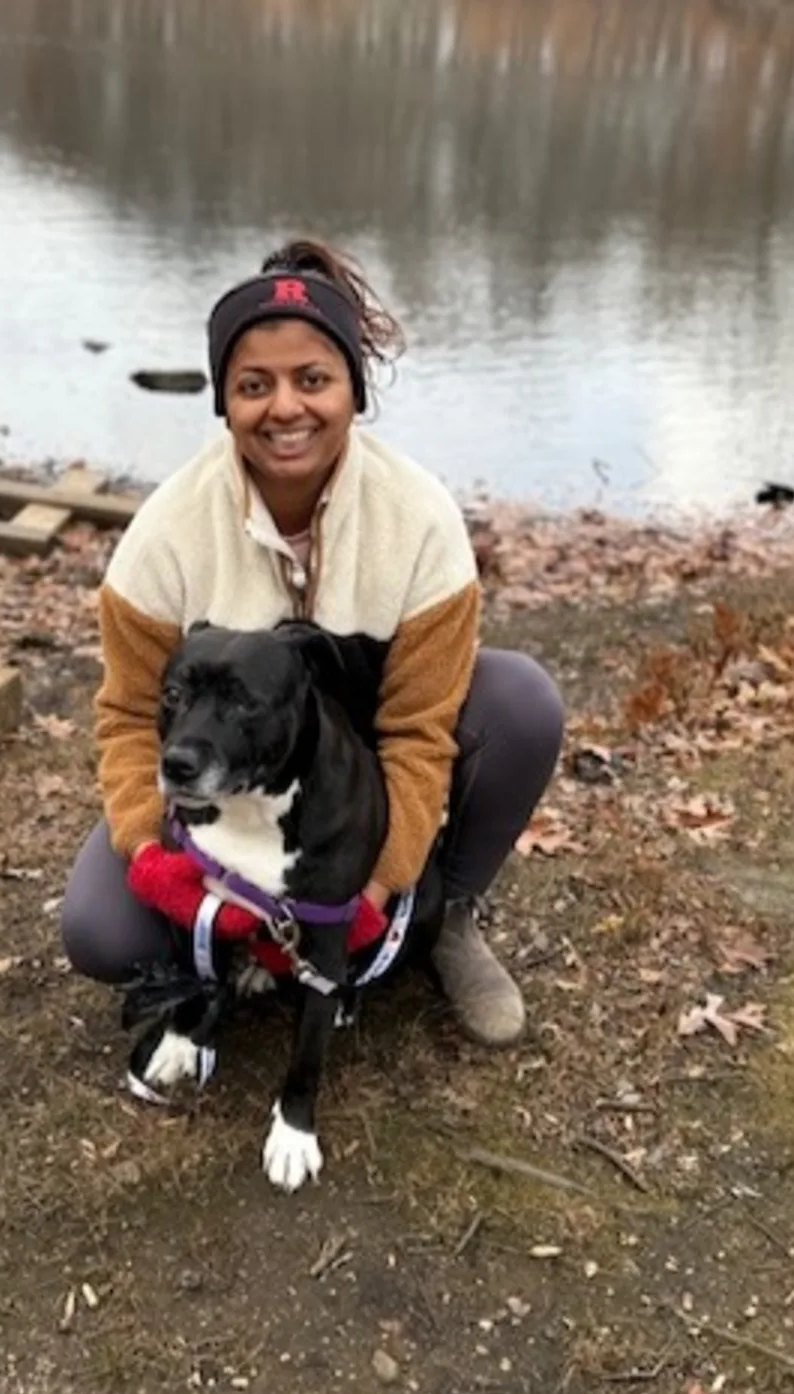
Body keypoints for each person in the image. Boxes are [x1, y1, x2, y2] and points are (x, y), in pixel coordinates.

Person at [62, 237, 564, 1053]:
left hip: (354, 774)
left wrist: (376, 886)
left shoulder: (421, 519)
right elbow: (125, 717)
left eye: (313, 380)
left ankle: (447, 919)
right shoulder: (164, 536)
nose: (285, 408)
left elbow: (417, 731)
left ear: (352, 393)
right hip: (233, 781)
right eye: (254, 385)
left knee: (520, 702)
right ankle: (225, 938)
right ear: (224, 400)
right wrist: (156, 857)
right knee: (101, 933)